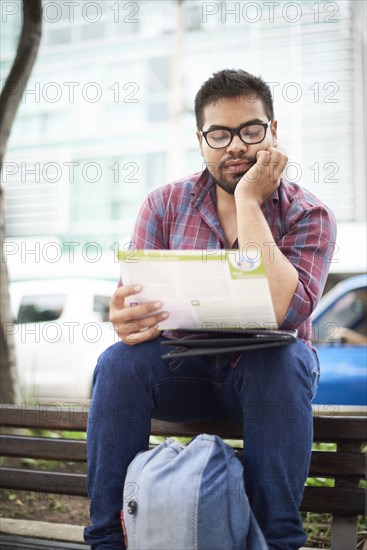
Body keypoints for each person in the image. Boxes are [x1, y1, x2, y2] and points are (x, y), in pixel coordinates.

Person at [84, 69, 337, 550]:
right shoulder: (163, 205)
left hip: (265, 378)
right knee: (117, 363)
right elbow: (136, 307)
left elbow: (287, 312)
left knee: (281, 359)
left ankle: (276, 541)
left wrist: (249, 200)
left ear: (274, 132)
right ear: (201, 140)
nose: (236, 146)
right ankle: (106, 540)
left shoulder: (308, 213)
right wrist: (126, 318)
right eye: (220, 134)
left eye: (251, 130)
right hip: (185, 370)